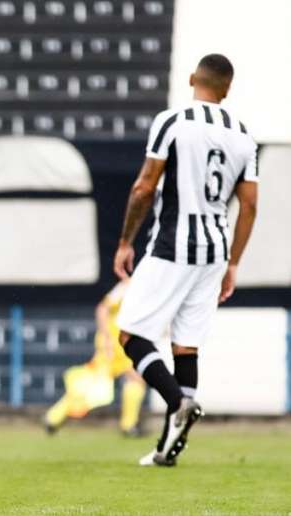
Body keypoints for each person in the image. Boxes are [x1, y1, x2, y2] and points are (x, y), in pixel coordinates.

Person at [113, 54, 258, 467]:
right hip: (214, 252)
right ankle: (166, 450)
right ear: (227, 89)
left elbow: (144, 186)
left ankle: (177, 402)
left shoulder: (172, 121)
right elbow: (249, 207)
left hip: (173, 245)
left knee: (130, 335)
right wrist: (233, 264)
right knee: (186, 347)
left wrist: (126, 241)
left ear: (193, 78)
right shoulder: (243, 136)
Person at [44, 279, 147, 436]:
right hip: (114, 341)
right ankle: (128, 426)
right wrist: (106, 337)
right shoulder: (128, 286)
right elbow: (102, 308)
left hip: (121, 340)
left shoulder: (144, 287)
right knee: (134, 378)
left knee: (93, 382)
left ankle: (53, 417)